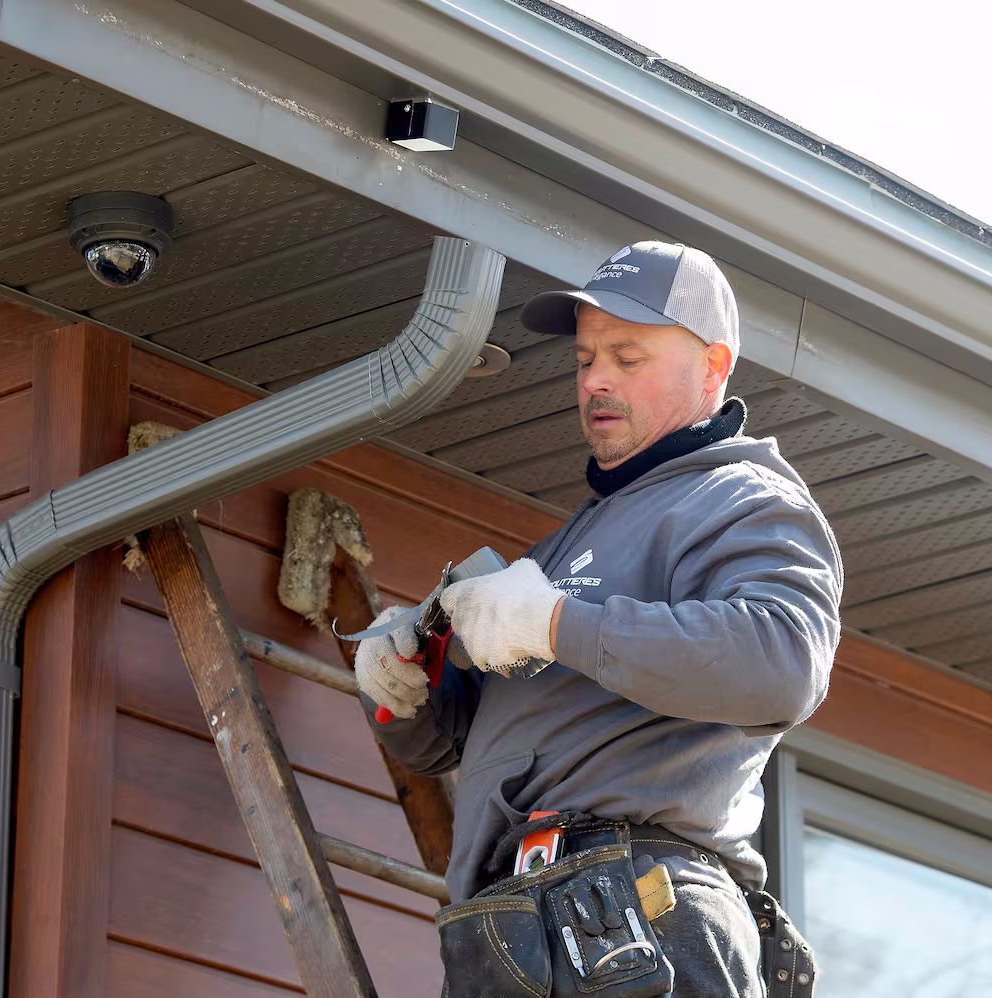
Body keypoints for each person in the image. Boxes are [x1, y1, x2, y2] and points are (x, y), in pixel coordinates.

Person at [356, 241, 842, 996]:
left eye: (627, 354)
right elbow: (460, 743)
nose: (597, 380)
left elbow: (782, 663)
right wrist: (405, 692)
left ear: (713, 367)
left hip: (640, 917)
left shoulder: (745, 500)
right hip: (513, 930)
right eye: (585, 360)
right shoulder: (562, 550)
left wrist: (554, 624)